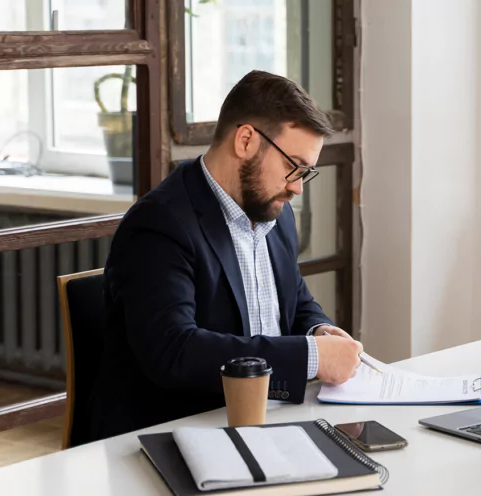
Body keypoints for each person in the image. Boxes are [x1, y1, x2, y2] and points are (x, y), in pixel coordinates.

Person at [91, 70, 363, 439]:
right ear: (247, 140)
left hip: (266, 426)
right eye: (292, 166)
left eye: (306, 172)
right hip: (174, 438)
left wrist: (319, 330)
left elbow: (295, 301)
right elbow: (174, 351)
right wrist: (312, 356)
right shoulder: (159, 224)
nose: (297, 188)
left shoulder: (273, 210)